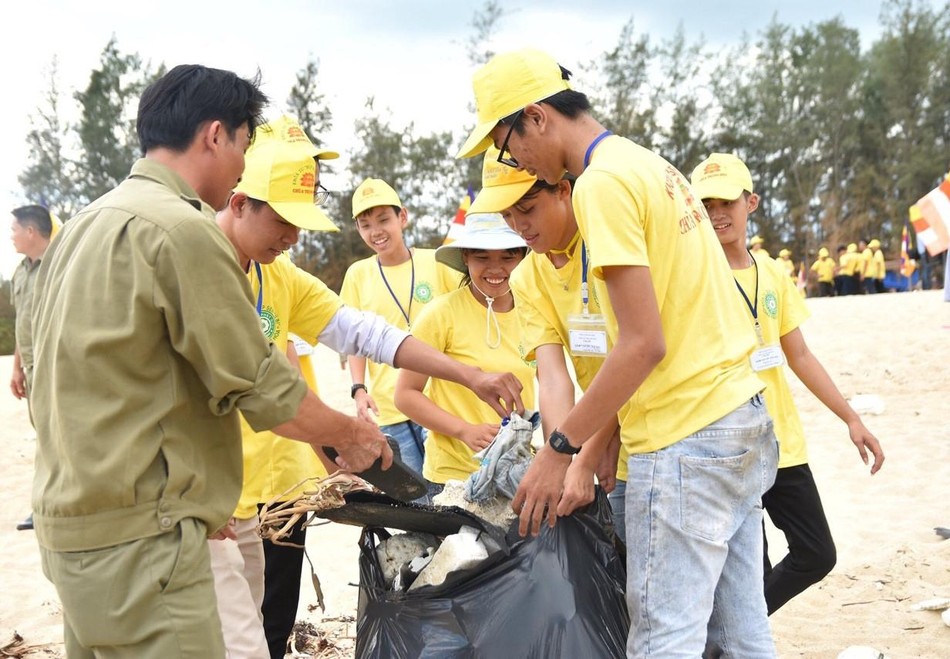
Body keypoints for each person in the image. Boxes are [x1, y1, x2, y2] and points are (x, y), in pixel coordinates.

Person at [29, 64, 402, 658]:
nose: (240, 170)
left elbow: (48, 374)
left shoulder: (80, 228)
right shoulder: (184, 229)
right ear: (215, 135)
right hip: (144, 542)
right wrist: (350, 437)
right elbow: (259, 385)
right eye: (244, 146)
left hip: (71, 529)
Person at [457, 48, 777, 657]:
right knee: (742, 633)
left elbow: (641, 343)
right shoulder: (646, 163)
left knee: (662, 638)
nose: (513, 159)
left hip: (683, 434)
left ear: (536, 116)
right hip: (739, 415)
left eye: (507, 143)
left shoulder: (599, 186)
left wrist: (561, 449)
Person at [210, 115, 526, 659]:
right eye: (284, 221)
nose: (293, 238)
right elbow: (260, 388)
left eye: (301, 223)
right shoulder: (202, 270)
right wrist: (345, 432)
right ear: (239, 201)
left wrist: (468, 374)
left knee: (261, 628)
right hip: (200, 496)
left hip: (257, 489)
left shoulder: (277, 275)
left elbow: (365, 332)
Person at [691, 153, 885, 615]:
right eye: (706, 203)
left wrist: (851, 418)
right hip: (725, 444)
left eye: (727, 201)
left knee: (817, 552)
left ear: (751, 202)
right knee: (745, 570)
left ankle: (729, 636)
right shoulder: (693, 275)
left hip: (782, 441)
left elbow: (798, 354)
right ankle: (736, 638)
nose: (718, 212)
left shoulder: (773, 272)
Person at [468, 146, 625, 533]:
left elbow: (635, 356)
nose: (519, 226)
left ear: (563, 191)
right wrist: (567, 456)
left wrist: (583, 455)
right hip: (602, 432)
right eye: (506, 215)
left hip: (650, 427)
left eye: (527, 208)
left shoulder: (607, 242)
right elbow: (553, 379)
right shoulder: (527, 276)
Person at [394, 213, 536, 499]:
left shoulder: (535, 311)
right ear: (465, 258)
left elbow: (552, 384)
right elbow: (405, 395)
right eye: (482, 257)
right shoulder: (440, 313)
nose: (495, 269)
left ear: (523, 257)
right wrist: (464, 431)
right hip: (453, 478)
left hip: (518, 474)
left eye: (508, 257)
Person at [341, 178, 461, 479]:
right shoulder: (357, 275)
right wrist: (358, 389)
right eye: (366, 224)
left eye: (384, 219)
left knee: (448, 491)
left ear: (402, 217)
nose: (376, 231)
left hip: (439, 404)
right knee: (414, 503)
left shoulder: (436, 262)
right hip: (389, 410)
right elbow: (353, 338)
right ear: (358, 230)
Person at [8, 204, 54, 532]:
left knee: (59, 437)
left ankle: (52, 507)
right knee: (43, 436)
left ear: (30, 231)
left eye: (13, 230)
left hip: (55, 366)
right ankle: (42, 506)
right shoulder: (20, 271)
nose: (10, 236)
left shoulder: (61, 264)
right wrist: (17, 367)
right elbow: (20, 323)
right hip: (32, 366)